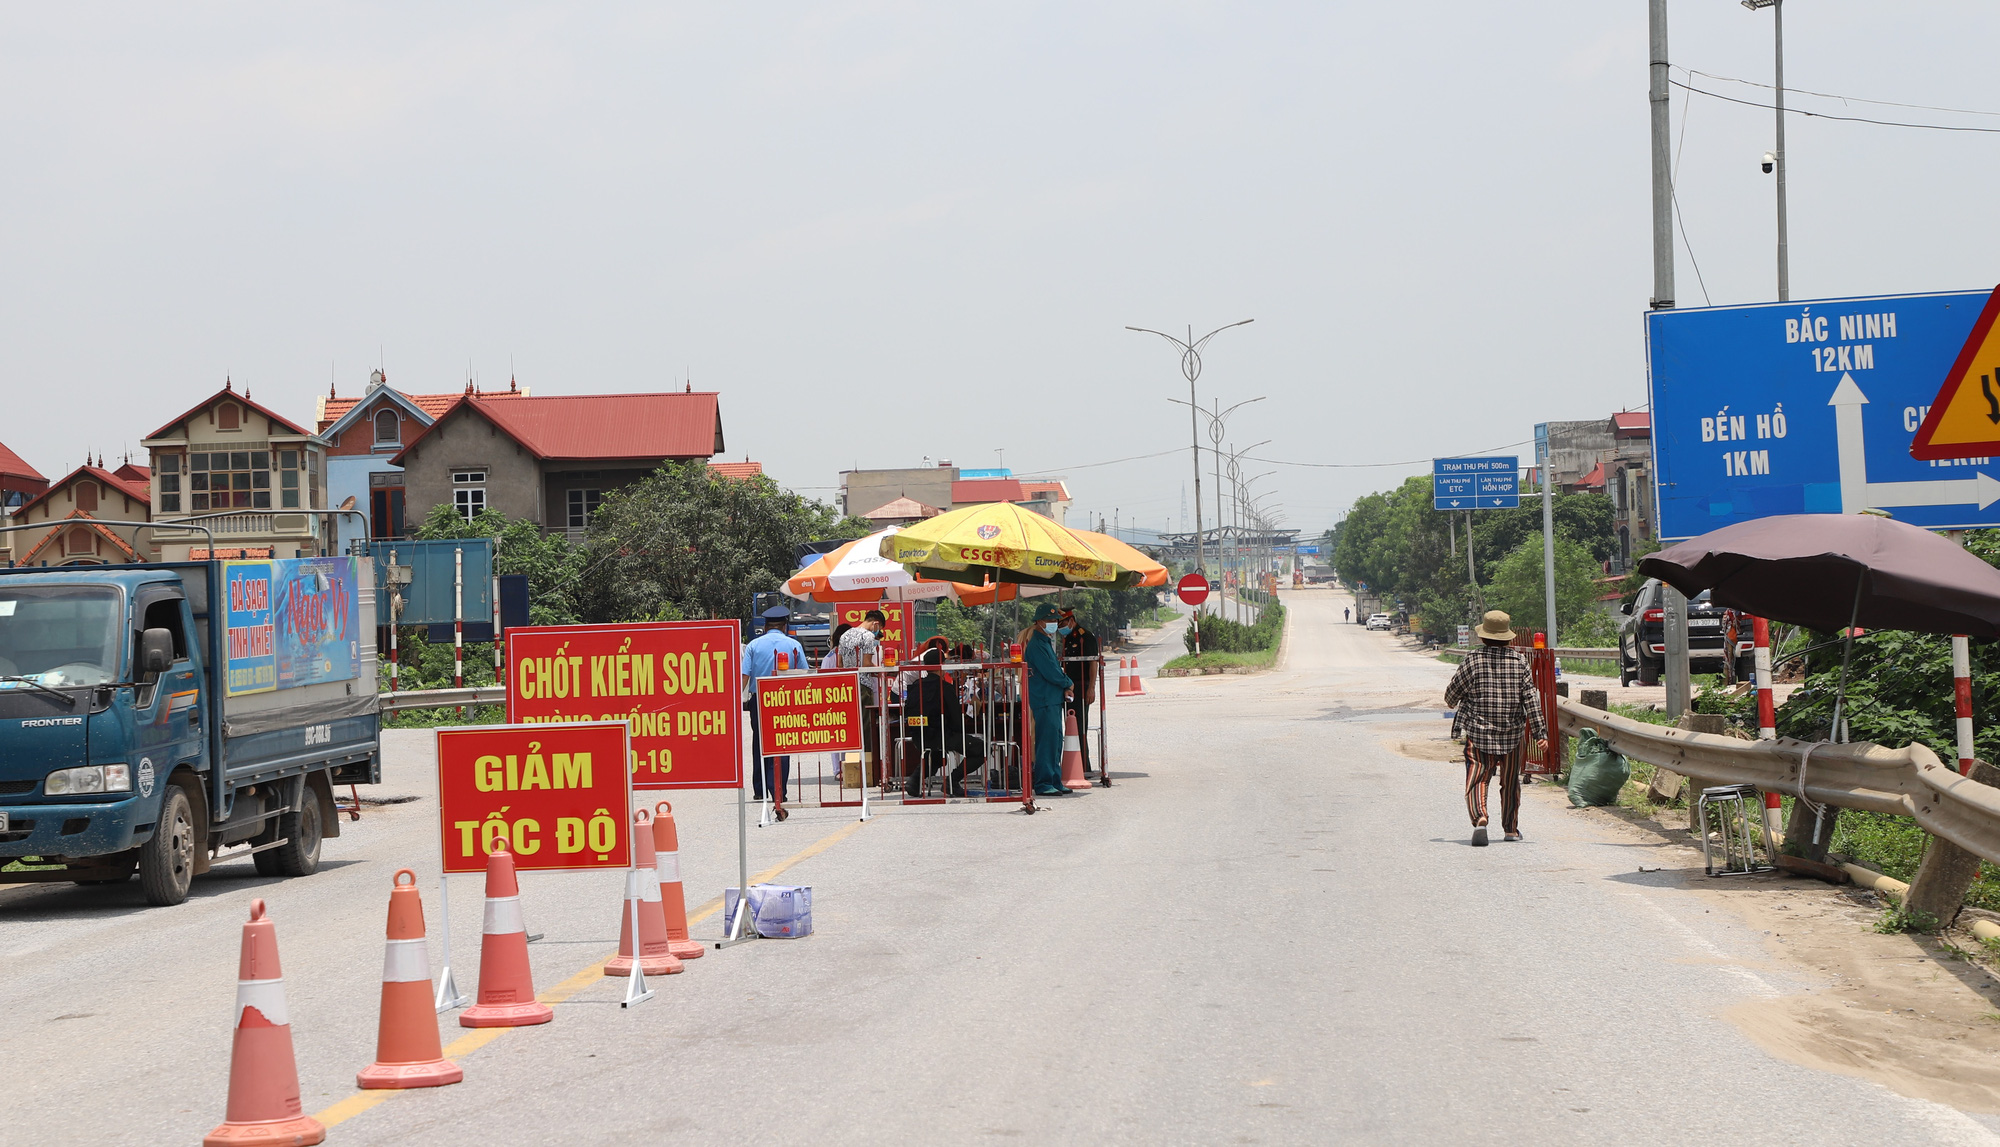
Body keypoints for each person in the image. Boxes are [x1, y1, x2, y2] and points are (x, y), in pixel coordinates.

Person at [1442, 610, 1548, 846]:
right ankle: (1510, 830)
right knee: (1510, 783)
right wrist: (1541, 733)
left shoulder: (1473, 660)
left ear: (1482, 636)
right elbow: (1531, 698)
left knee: (1477, 778)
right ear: (1509, 638)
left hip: (1478, 733)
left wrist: (1452, 700)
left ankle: (1480, 817)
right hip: (1512, 734)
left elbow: (1452, 693)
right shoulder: (1520, 661)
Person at [741, 605, 808, 821]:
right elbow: (803, 674)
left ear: (766, 626)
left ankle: (760, 789)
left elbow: (744, 676)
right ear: (785, 625)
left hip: (759, 699)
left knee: (759, 743)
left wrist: (735, 700)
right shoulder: (794, 645)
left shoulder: (753, 645)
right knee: (782, 742)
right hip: (784, 700)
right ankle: (779, 790)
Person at [1022, 602, 1073, 796]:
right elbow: (1051, 672)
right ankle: (1044, 783)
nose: (1053, 623)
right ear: (1039, 622)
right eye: (1050, 620)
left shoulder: (1045, 642)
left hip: (1052, 698)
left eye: (1055, 620)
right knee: (1046, 742)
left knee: (1055, 742)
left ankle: (1054, 779)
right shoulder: (1036, 645)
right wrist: (1068, 682)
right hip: (1044, 699)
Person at [1058, 608, 1100, 781]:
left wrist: (1091, 688)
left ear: (1071, 620)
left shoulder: (1085, 637)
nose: (1060, 627)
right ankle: (1071, 764)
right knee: (1070, 727)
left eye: (1062, 623)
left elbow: (1092, 663)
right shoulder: (1067, 638)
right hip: (1068, 689)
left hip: (1082, 687)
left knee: (1080, 727)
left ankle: (1084, 766)